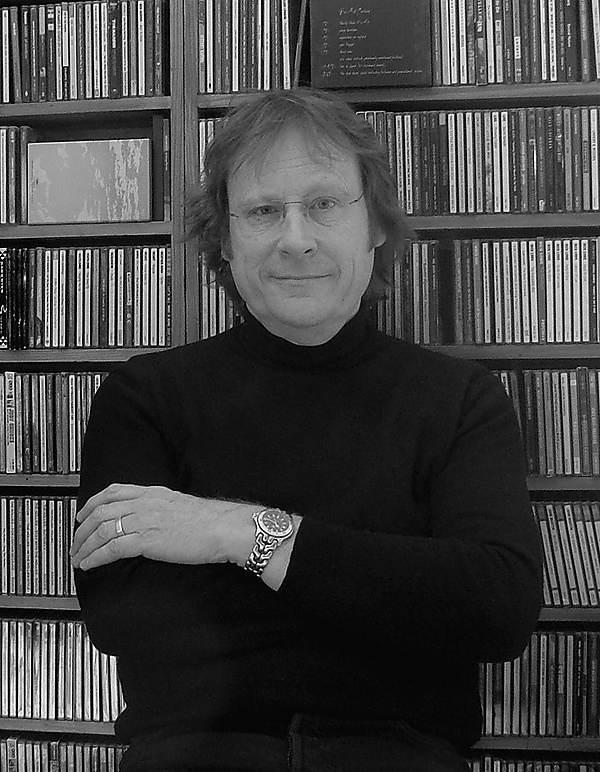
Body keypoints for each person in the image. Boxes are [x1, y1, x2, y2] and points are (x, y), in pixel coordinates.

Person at [71, 88, 543, 772]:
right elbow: (125, 617)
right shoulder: (143, 397)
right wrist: (391, 590)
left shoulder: (461, 400)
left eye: (324, 203)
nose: (296, 239)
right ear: (226, 240)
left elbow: (495, 610)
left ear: (374, 224)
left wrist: (239, 534)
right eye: (264, 211)